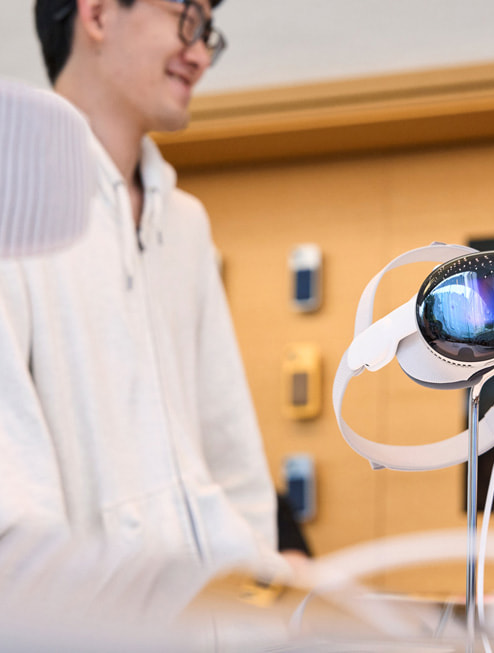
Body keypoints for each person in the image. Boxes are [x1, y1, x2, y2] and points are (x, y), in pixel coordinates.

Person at [0, 0, 285, 617]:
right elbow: (14, 506)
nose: (201, 53)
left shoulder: (185, 226)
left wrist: (265, 591)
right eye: (187, 18)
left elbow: (233, 463)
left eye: (208, 29)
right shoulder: (13, 203)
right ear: (98, 14)